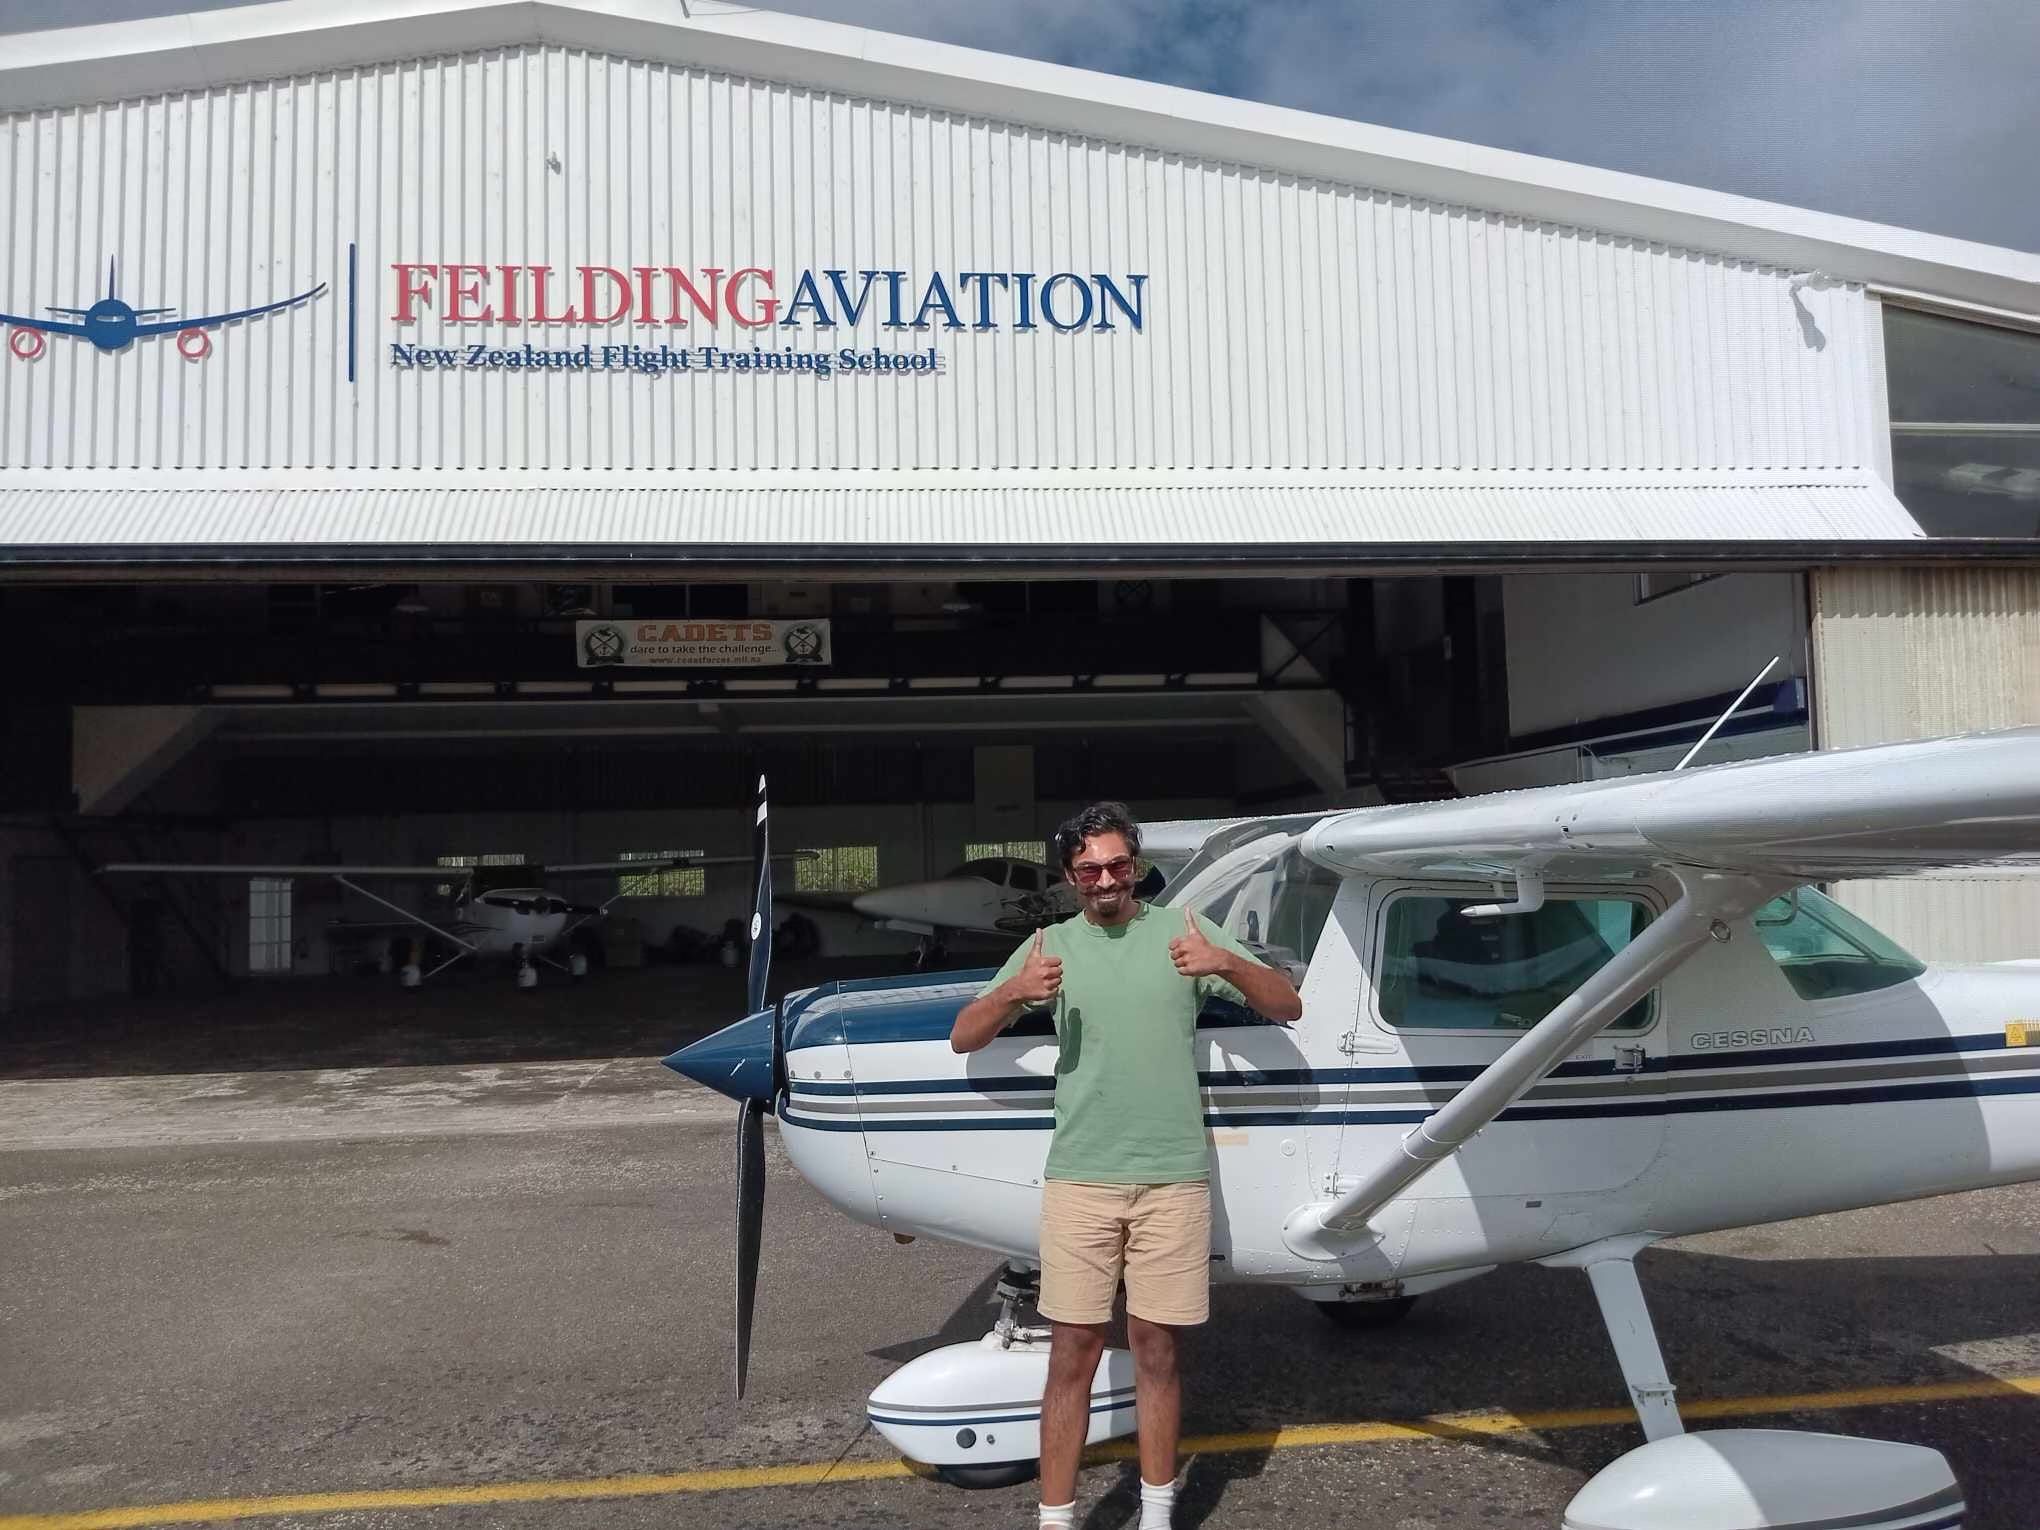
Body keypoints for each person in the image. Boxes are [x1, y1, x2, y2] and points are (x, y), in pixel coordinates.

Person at [950, 802, 1303, 1530]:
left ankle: (1157, 1511)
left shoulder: (1185, 932)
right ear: (1069, 876)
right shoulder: (1049, 943)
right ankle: (1055, 1517)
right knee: (1071, 1352)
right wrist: (1016, 991)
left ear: (1136, 867)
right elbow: (965, 1034)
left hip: (1171, 1179)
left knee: (1156, 1350)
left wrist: (1226, 963)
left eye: (1118, 865)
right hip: (1082, 1177)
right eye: (1089, 868)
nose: (1106, 879)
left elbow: (1287, 1004)